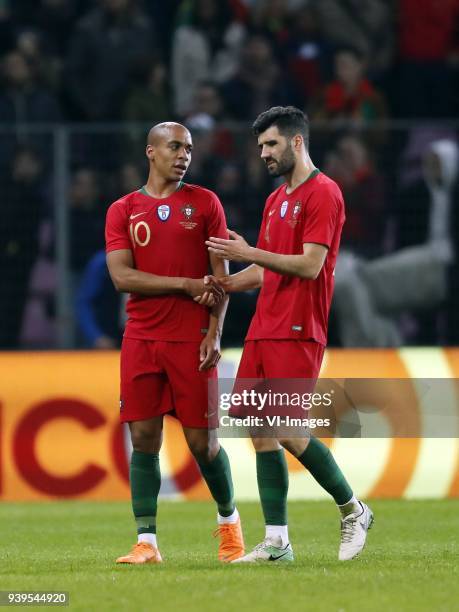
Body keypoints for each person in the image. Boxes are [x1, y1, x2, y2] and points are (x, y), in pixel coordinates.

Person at [206, 106, 373, 562]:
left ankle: (354, 508)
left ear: (297, 142)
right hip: (265, 327)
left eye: (271, 144)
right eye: (260, 146)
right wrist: (222, 282)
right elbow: (263, 269)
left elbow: (309, 264)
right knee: (259, 430)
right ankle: (278, 541)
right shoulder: (277, 199)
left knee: (288, 429)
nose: (263, 153)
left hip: (300, 328)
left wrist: (248, 250)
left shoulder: (324, 193)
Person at [105, 122, 244, 564]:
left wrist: (214, 332)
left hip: (191, 340)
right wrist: (185, 283)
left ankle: (230, 525)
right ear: (150, 151)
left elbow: (219, 278)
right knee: (144, 438)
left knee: (204, 444)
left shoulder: (205, 203)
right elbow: (121, 277)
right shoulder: (123, 209)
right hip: (142, 338)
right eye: (174, 146)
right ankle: (147, 543)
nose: (183, 155)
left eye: (188, 148)